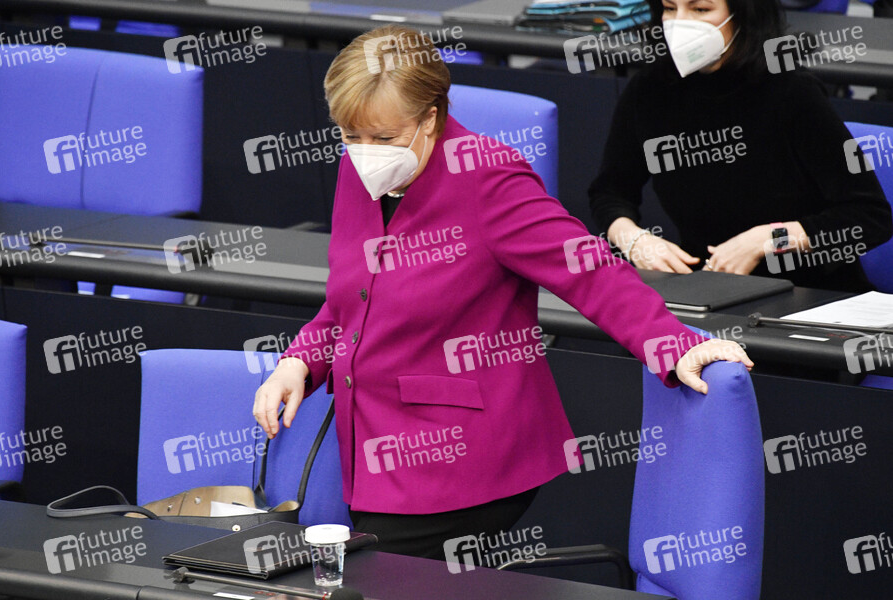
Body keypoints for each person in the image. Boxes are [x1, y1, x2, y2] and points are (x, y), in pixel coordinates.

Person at [253, 24, 751, 561]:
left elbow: (589, 271)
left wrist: (674, 344)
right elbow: (352, 301)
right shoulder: (361, 169)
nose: (364, 152)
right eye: (351, 136)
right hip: (374, 451)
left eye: (383, 138)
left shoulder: (487, 177)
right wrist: (299, 362)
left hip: (460, 457)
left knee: (369, 581)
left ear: (430, 119)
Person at [588, 0, 892, 292]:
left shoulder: (791, 91)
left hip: (811, 294)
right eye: (669, 8)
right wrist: (634, 239)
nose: (679, 21)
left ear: (743, 13)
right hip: (708, 289)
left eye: (700, 8)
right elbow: (610, 192)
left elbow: (869, 216)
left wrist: (769, 240)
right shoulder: (650, 89)